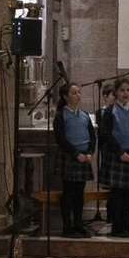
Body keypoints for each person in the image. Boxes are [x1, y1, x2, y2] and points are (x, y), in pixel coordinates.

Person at [98, 76, 129, 239]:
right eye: (122, 90)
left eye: (128, 90)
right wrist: (120, 152)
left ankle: (127, 222)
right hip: (117, 155)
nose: (125, 93)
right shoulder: (110, 111)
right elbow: (105, 133)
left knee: (128, 193)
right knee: (117, 193)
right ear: (116, 92)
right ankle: (118, 225)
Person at [53, 83, 96, 237]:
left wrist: (90, 152)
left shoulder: (84, 114)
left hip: (84, 157)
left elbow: (92, 136)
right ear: (65, 97)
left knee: (79, 193)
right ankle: (67, 227)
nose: (78, 95)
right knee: (68, 193)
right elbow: (61, 139)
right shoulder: (61, 115)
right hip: (71, 156)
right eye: (74, 93)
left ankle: (78, 224)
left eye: (79, 92)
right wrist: (76, 153)